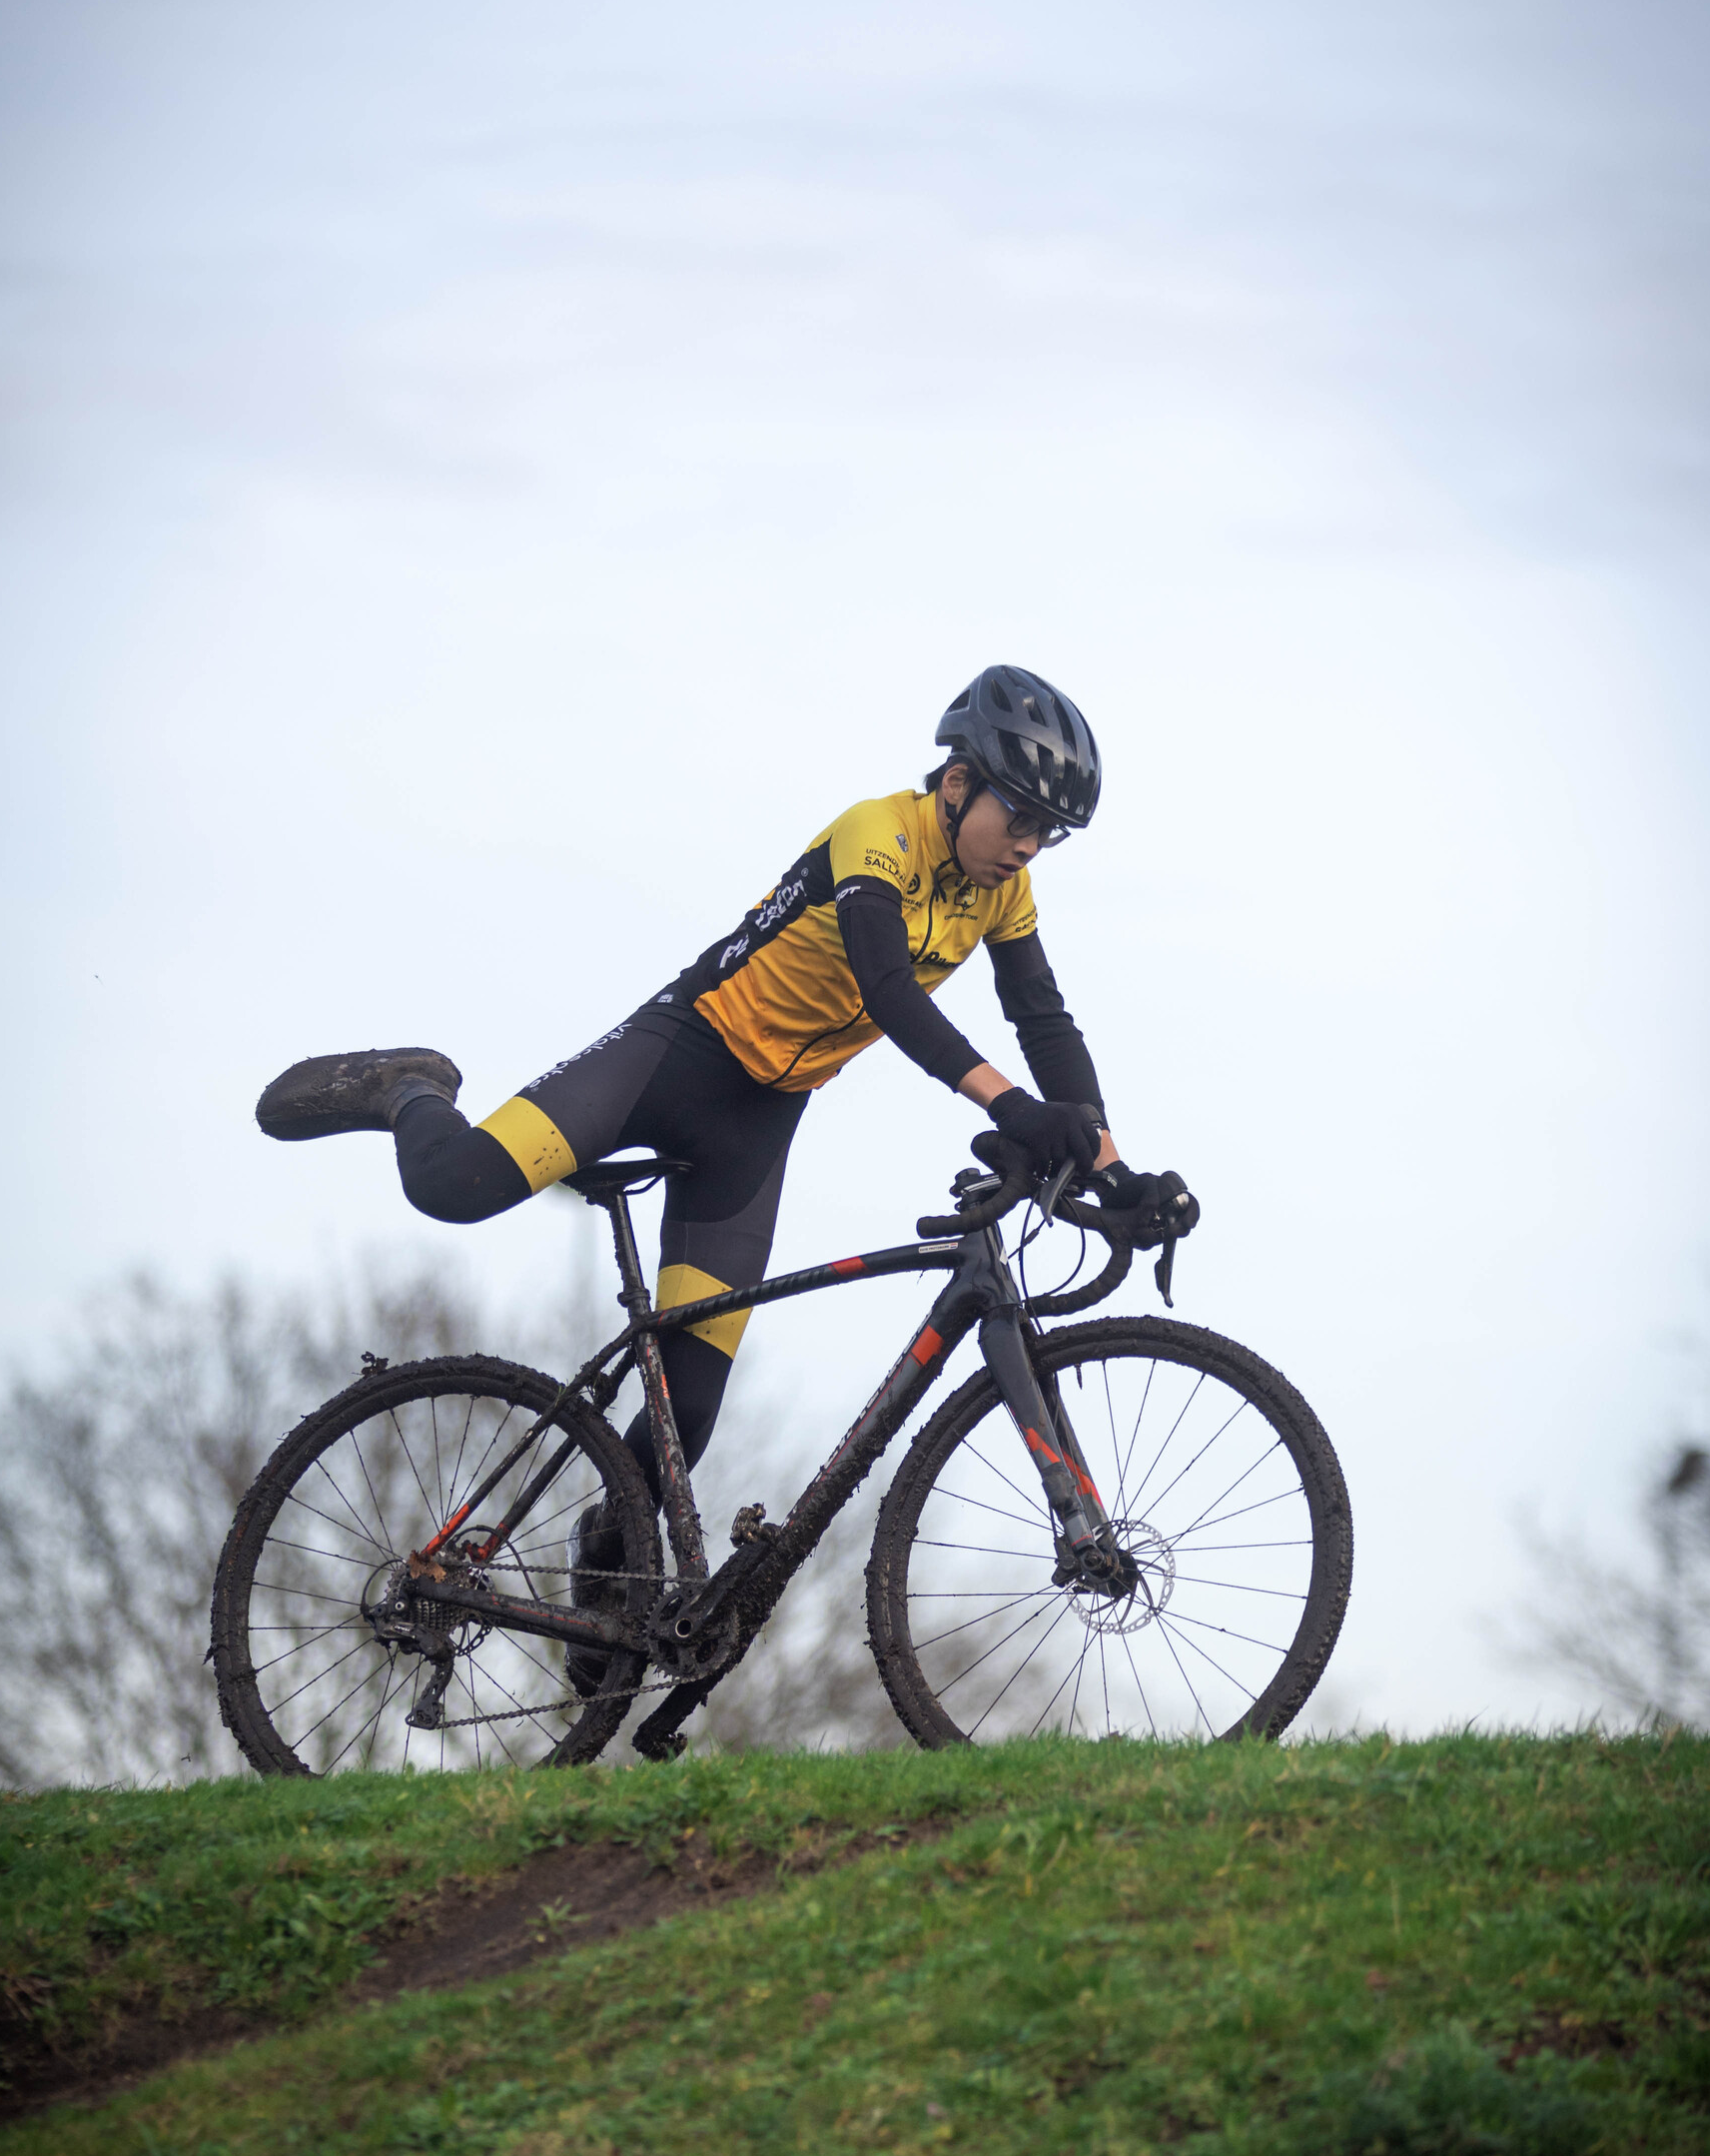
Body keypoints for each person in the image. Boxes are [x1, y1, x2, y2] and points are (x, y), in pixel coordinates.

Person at [257, 665, 1193, 1573]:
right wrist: (1012, 1107)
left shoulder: (1001, 892)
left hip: (753, 1128)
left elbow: (1044, 1020)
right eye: (1019, 818)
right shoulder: (879, 834)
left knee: (686, 1415)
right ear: (957, 784)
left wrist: (1111, 1170)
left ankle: (606, 1576)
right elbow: (889, 990)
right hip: (674, 1059)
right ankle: (410, 1087)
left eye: (1050, 834)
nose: (1029, 845)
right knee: (453, 1187)